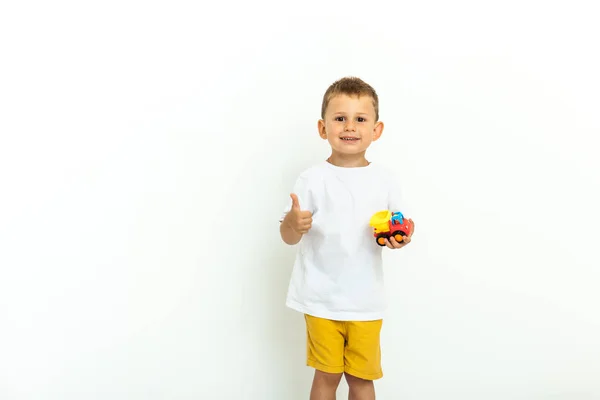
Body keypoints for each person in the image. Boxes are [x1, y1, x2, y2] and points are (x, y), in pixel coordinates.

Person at [279, 76, 415, 400]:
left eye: (360, 119)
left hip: (366, 302)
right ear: (323, 128)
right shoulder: (312, 179)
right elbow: (287, 235)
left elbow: (403, 225)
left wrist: (402, 237)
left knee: (361, 380)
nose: (349, 127)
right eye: (340, 118)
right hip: (320, 298)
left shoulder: (384, 180)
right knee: (326, 375)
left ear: (376, 130)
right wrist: (293, 223)